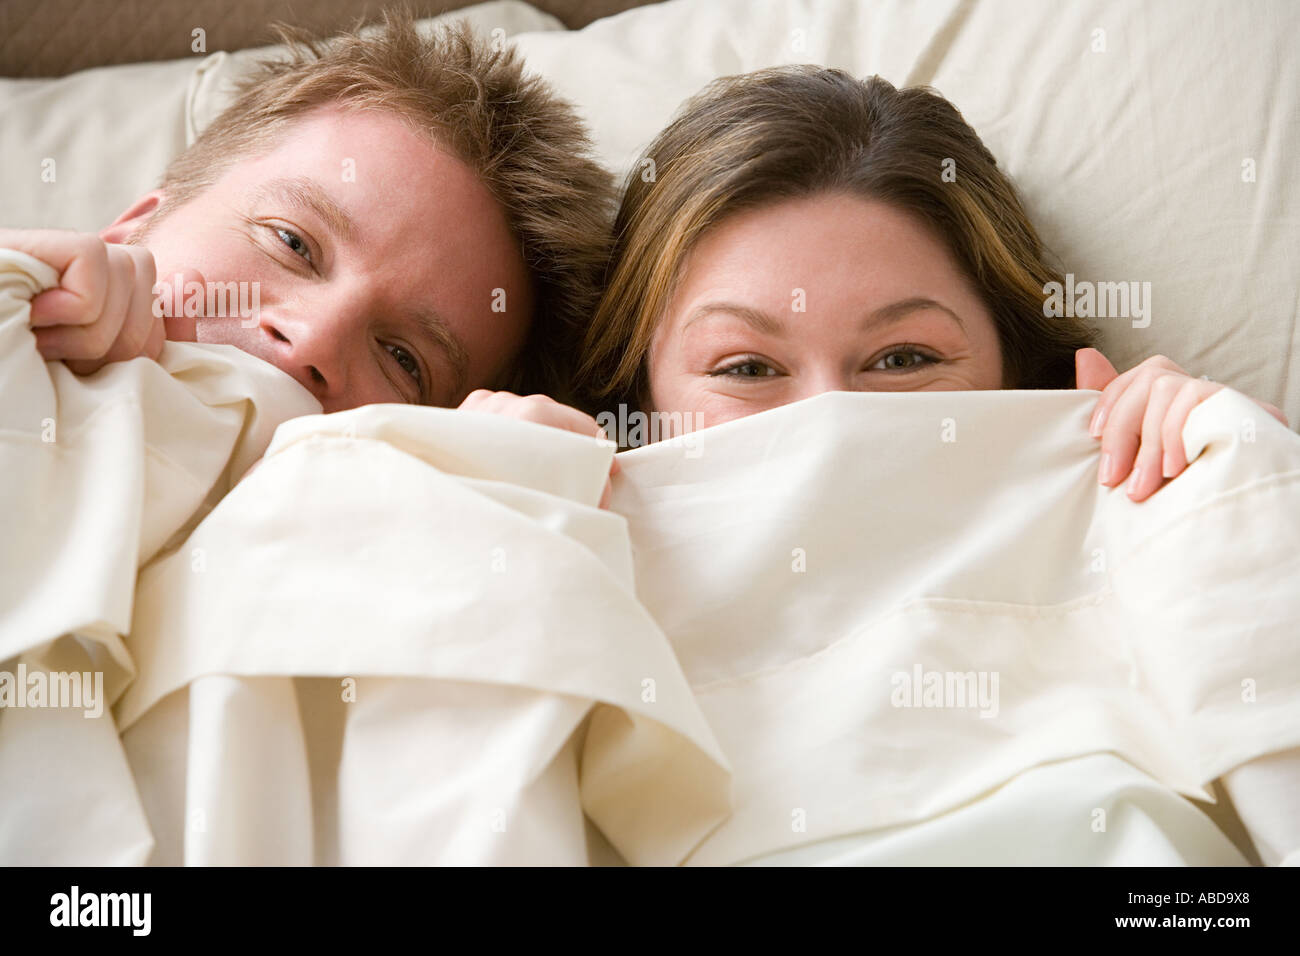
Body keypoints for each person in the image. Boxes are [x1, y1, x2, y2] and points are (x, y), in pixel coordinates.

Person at [574, 67, 1287, 503]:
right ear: (640, 402)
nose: (835, 427)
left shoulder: (1140, 524)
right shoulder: (571, 549)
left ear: (1016, 376)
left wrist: (1248, 475)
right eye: (748, 368)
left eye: (904, 359)